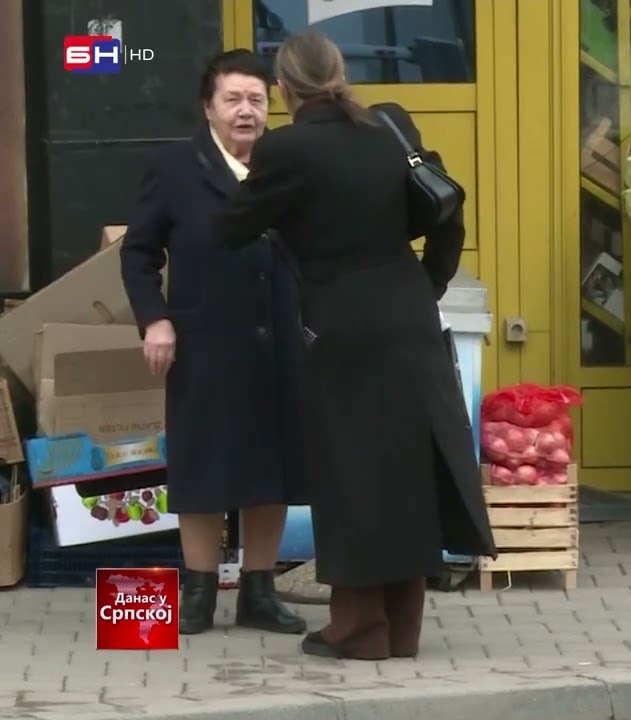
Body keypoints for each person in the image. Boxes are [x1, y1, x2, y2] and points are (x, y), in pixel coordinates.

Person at [215, 30, 496, 661]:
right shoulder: (390, 125)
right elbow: (448, 210)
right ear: (340, 75)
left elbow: (233, 227)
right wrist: (428, 283)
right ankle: (403, 628)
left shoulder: (285, 148)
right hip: (409, 312)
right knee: (406, 469)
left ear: (284, 88)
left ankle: (359, 626)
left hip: (340, 327)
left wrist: (244, 171)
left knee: (351, 475)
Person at [119, 49, 307, 636]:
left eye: (256, 100)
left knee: (272, 467)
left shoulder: (287, 164)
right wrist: (155, 321)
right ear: (208, 107)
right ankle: (198, 594)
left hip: (280, 337)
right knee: (203, 464)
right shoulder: (176, 167)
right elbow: (138, 253)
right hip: (203, 340)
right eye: (233, 99)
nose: (246, 111)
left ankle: (259, 593)